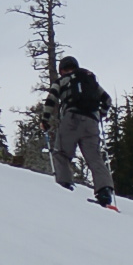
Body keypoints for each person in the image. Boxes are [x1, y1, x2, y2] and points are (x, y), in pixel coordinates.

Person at [41, 56, 116, 207]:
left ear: (61, 70)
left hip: (71, 118)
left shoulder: (62, 81)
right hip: (91, 122)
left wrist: (45, 120)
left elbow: (51, 99)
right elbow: (107, 100)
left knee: (61, 153)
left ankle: (64, 186)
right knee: (94, 158)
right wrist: (100, 114)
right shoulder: (91, 82)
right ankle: (104, 192)